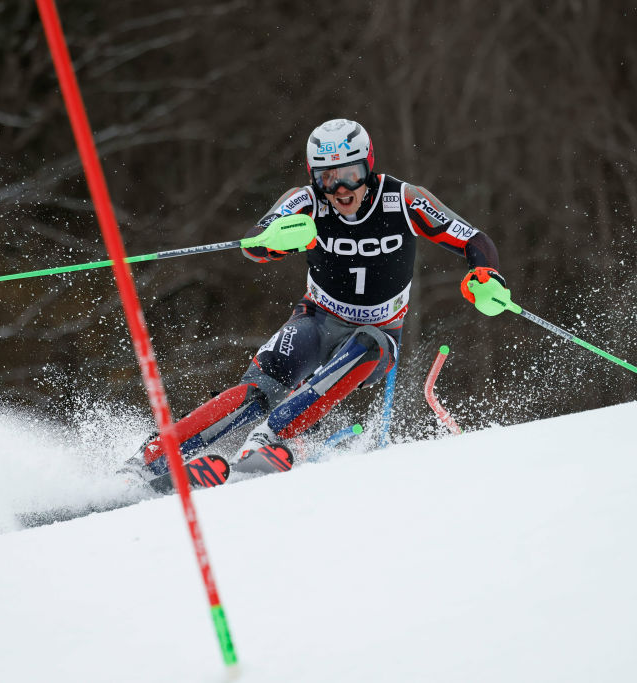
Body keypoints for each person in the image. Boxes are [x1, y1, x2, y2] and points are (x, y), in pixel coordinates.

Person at [131, 118, 513, 492]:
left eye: (352, 173)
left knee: (368, 345)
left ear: (369, 165)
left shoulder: (404, 199)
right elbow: (255, 242)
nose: (342, 189)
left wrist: (484, 275)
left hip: (379, 332)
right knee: (258, 389)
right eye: (328, 177)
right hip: (316, 319)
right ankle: (149, 460)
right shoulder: (307, 201)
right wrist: (273, 239)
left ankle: (268, 438)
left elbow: (472, 238)